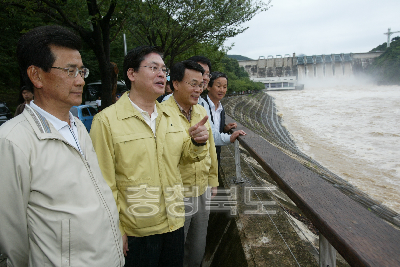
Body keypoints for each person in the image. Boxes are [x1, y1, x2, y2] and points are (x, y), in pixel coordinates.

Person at [0, 25, 124, 266]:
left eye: (81, 71)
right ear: (36, 76)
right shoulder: (12, 141)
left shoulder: (77, 126)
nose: (80, 81)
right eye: (70, 71)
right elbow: (12, 236)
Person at [89, 46, 210, 267]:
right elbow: (103, 184)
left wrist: (195, 143)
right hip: (138, 231)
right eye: (153, 68)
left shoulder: (168, 115)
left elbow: (182, 161)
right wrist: (116, 229)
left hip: (174, 223)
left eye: (163, 69)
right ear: (132, 74)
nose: (162, 74)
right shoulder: (106, 121)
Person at [162, 60, 218, 267]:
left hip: (202, 189)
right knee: (174, 249)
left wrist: (213, 180)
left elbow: (211, 149)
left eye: (201, 85)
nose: (198, 90)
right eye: (193, 84)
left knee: (197, 248)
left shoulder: (201, 112)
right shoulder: (161, 114)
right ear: (175, 83)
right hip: (177, 193)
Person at [203, 71, 246, 165]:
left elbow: (214, 130)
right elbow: (209, 133)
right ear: (208, 87)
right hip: (202, 156)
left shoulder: (221, 109)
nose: (222, 90)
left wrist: (225, 129)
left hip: (215, 154)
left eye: (224, 87)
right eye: (218, 86)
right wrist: (231, 137)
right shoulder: (201, 105)